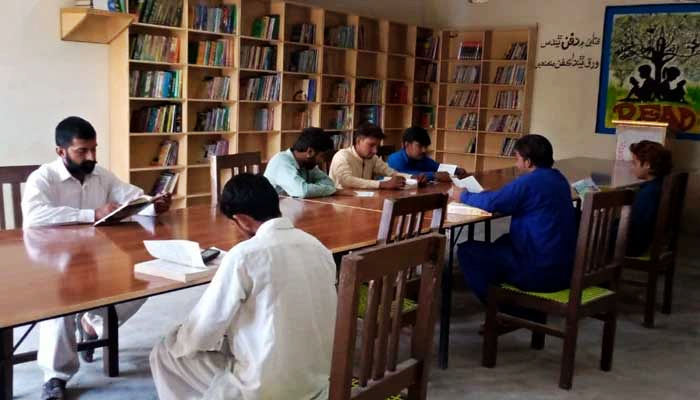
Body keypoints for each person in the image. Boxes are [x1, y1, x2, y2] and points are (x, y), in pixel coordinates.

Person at [21, 116, 171, 400]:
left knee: (146, 279)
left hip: (98, 258)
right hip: (52, 262)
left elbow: (132, 198)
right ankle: (55, 376)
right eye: (82, 151)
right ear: (60, 151)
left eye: (94, 149)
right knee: (59, 303)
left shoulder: (101, 174)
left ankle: (93, 325)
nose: (91, 157)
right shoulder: (43, 178)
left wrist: (153, 205)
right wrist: (92, 215)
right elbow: (34, 217)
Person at [150, 173, 337, 400]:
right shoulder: (318, 247)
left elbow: (203, 331)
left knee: (166, 351)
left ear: (243, 219)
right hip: (318, 381)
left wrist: (180, 338)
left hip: (265, 389)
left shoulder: (244, 256)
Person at [455, 134, 577, 315]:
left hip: (538, 271)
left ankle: (506, 311)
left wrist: (461, 195)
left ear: (528, 162)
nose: (516, 164)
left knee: (468, 251)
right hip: (564, 269)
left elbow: (493, 203)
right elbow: (504, 199)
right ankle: (510, 297)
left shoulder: (528, 182)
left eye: (518, 159)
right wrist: (489, 197)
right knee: (502, 241)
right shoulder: (559, 179)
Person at [329, 123, 411, 189]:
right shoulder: (342, 156)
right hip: (340, 204)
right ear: (358, 141)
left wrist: (412, 177)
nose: (375, 151)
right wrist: (381, 184)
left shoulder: (372, 158)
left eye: (377, 146)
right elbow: (346, 180)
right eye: (371, 145)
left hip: (363, 201)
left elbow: (390, 172)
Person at [627, 140, 673, 257]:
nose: (632, 167)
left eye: (634, 163)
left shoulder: (648, 193)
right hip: (647, 242)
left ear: (647, 164)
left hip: (635, 246)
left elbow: (634, 230)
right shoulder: (660, 185)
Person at [263, 127, 336, 198]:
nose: (322, 161)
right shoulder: (281, 160)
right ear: (310, 152)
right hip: (273, 208)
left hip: (293, 206)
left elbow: (329, 183)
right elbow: (302, 191)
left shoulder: (307, 164)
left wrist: (312, 188)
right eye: (322, 156)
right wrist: (331, 190)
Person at [387, 126, 468, 182]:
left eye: (425, 146)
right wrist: (434, 175)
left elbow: (437, 166)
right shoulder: (395, 159)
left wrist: (456, 170)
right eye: (420, 146)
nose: (424, 150)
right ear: (407, 144)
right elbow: (408, 175)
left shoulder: (421, 158)